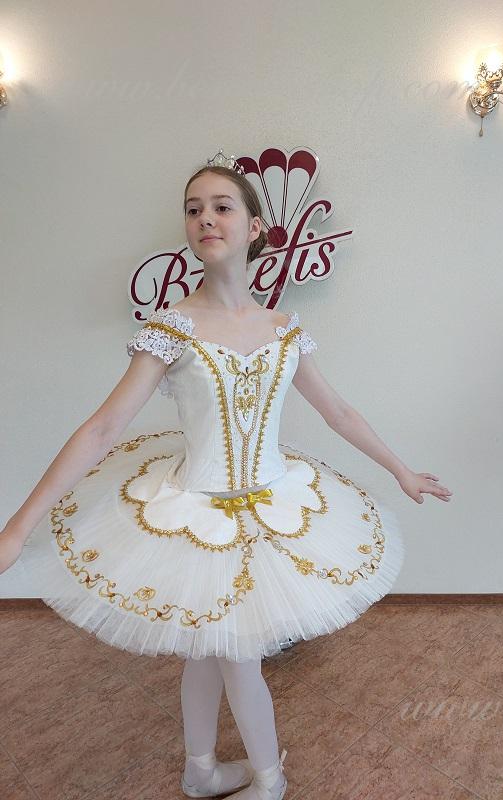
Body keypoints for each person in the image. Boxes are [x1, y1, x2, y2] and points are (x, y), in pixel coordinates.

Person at [0, 151, 452, 800]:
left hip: (274, 507)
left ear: (255, 226)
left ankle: (226, 775)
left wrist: (402, 470)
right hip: (197, 512)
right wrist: (18, 527)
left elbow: (339, 412)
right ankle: (246, 777)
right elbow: (102, 428)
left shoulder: (284, 327)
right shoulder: (172, 327)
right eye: (193, 210)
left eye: (221, 207)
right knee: (222, 652)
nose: (205, 219)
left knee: (221, 652)